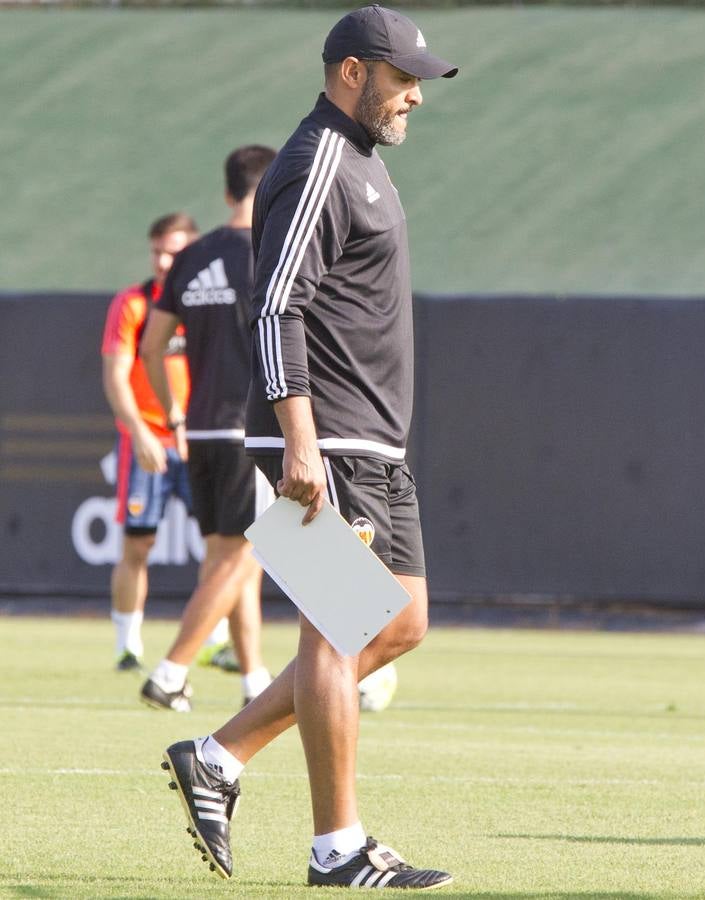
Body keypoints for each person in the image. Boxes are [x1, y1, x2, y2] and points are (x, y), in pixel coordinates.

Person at [160, 5, 459, 888]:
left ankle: (217, 757)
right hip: (325, 438)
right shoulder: (320, 158)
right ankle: (339, 849)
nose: (415, 96)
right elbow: (275, 304)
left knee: (400, 622)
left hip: (372, 441)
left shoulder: (363, 160)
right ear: (352, 73)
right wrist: (300, 442)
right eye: (403, 78)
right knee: (339, 628)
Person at [139, 146, 279, 711]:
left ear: (226, 193)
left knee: (228, 557)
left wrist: (174, 410)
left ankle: (254, 681)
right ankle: (170, 672)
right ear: (270, 190)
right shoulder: (271, 253)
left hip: (198, 432)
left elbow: (152, 347)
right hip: (255, 432)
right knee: (247, 555)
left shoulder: (191, 256)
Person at [101, 213, 198, 672]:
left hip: (198, 440)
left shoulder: (204, 302)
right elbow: (115, 376)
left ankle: (218, 642)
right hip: (147, 443)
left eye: (173, 252)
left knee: (226, 545)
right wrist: (140, 432)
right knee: (137, 545)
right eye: (157, 251)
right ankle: (128, 646)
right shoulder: (134, 304)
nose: (163, 261)